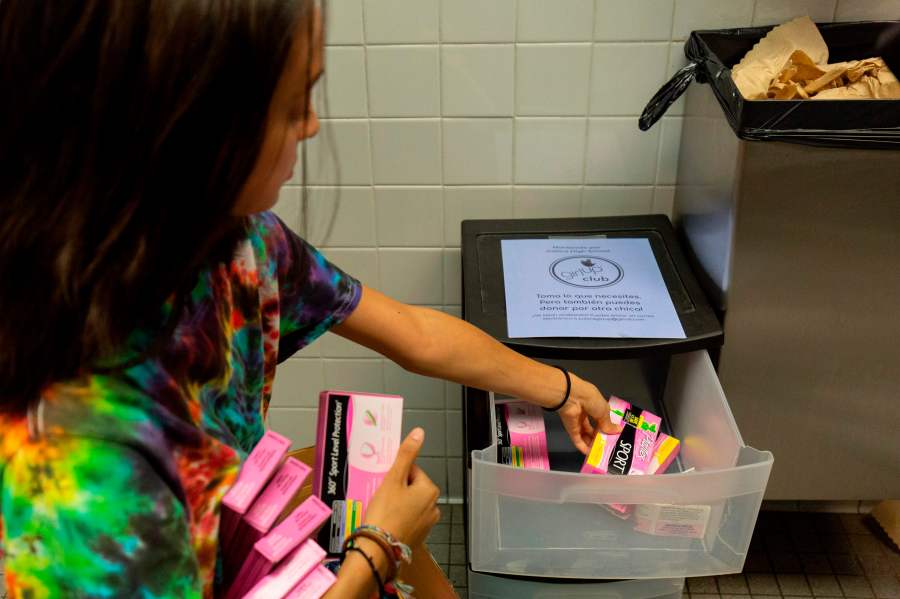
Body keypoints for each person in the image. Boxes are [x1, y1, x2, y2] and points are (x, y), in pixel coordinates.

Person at [0, 2, 617, 597]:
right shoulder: (78, 473)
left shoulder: (236, 243)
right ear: (187, 121)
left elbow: (413, 333)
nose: (313, 125)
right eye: (293, 103)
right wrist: (377, 549)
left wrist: (563, 388)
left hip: (228, 555)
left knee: (335, 476)